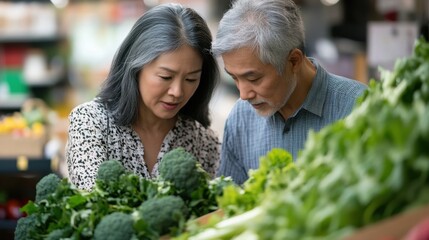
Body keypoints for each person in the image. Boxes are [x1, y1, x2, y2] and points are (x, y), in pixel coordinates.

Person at [66, 3, 220, 191]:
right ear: (136, 67)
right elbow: (90, 205)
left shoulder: (203, 142)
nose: (177, 92)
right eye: (166, 77)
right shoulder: (90, 123)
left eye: (191, 79)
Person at [214, 0, 367, 185]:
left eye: (253, 79)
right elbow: (229, 206)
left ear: (294, 61)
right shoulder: (240, 119)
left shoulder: (360, 107)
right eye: (234, 78)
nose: (243, 94)